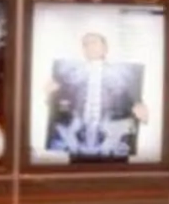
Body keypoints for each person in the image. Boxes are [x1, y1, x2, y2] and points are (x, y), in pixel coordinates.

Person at [45, 29, 150, 163]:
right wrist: (50, 96)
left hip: (114, 150)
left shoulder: (124, 77)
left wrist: (142, 113)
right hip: (78, 151)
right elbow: (59, 112)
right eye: (85, 44)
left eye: (94, 42)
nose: (90, 47)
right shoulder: (67, 77)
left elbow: (138, 108)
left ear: (105, 48)